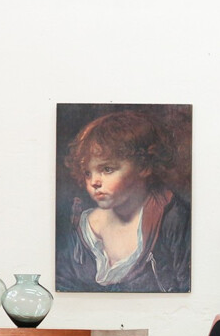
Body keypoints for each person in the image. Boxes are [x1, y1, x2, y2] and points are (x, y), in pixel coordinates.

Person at [56, 109, 191, 292]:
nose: (94, 182)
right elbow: (63, 284)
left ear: (143, 166)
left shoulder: (173, 218)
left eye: (107, 169)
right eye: (88, 172)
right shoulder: (83, 226)